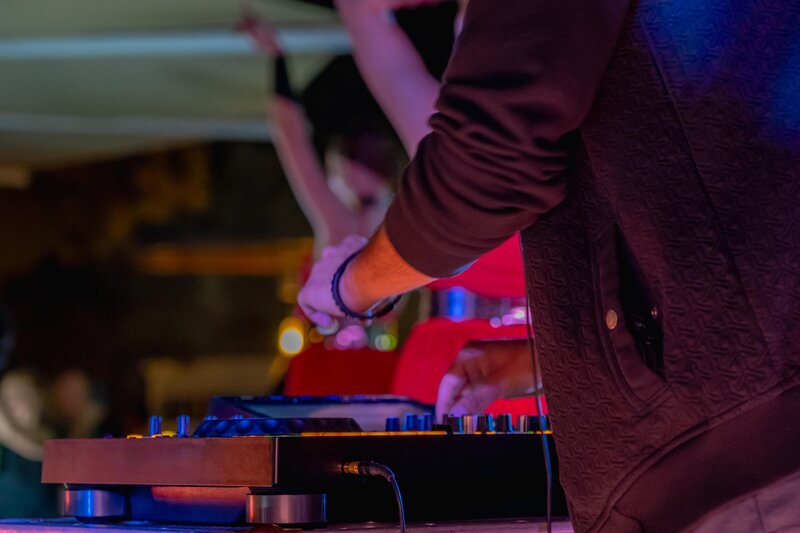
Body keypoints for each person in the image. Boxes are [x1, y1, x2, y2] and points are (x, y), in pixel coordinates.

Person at [298, 0, 800, 531]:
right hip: (724, 427)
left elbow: (487, 169)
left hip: (731, 451)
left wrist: (351, 285)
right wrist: (540, 359)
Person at [336, 0, 539, 417]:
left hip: (538, 359)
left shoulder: (577, 119)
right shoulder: (440, 128)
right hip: (456, 358)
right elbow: (358, 10)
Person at [240, 11, 404, 394]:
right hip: (356, 365)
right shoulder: (385, 212)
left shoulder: (346, 216)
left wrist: (278, 58)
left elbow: (291, 138)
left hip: (348, 366)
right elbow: (291, 137)